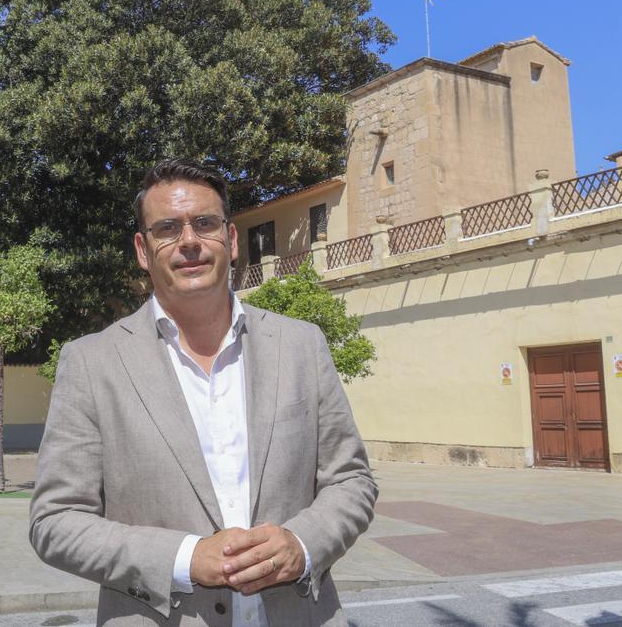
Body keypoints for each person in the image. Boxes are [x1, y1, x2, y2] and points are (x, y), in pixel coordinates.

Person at [29, 158, 377, 625]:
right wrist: (184, 558)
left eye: (205, 223)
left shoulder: (300, 345)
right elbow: (55, 522)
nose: (189, 241)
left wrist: (303, 543)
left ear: (230, 240)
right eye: (167, 228)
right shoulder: (92, 362)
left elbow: (351, 481)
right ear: (143, 249)